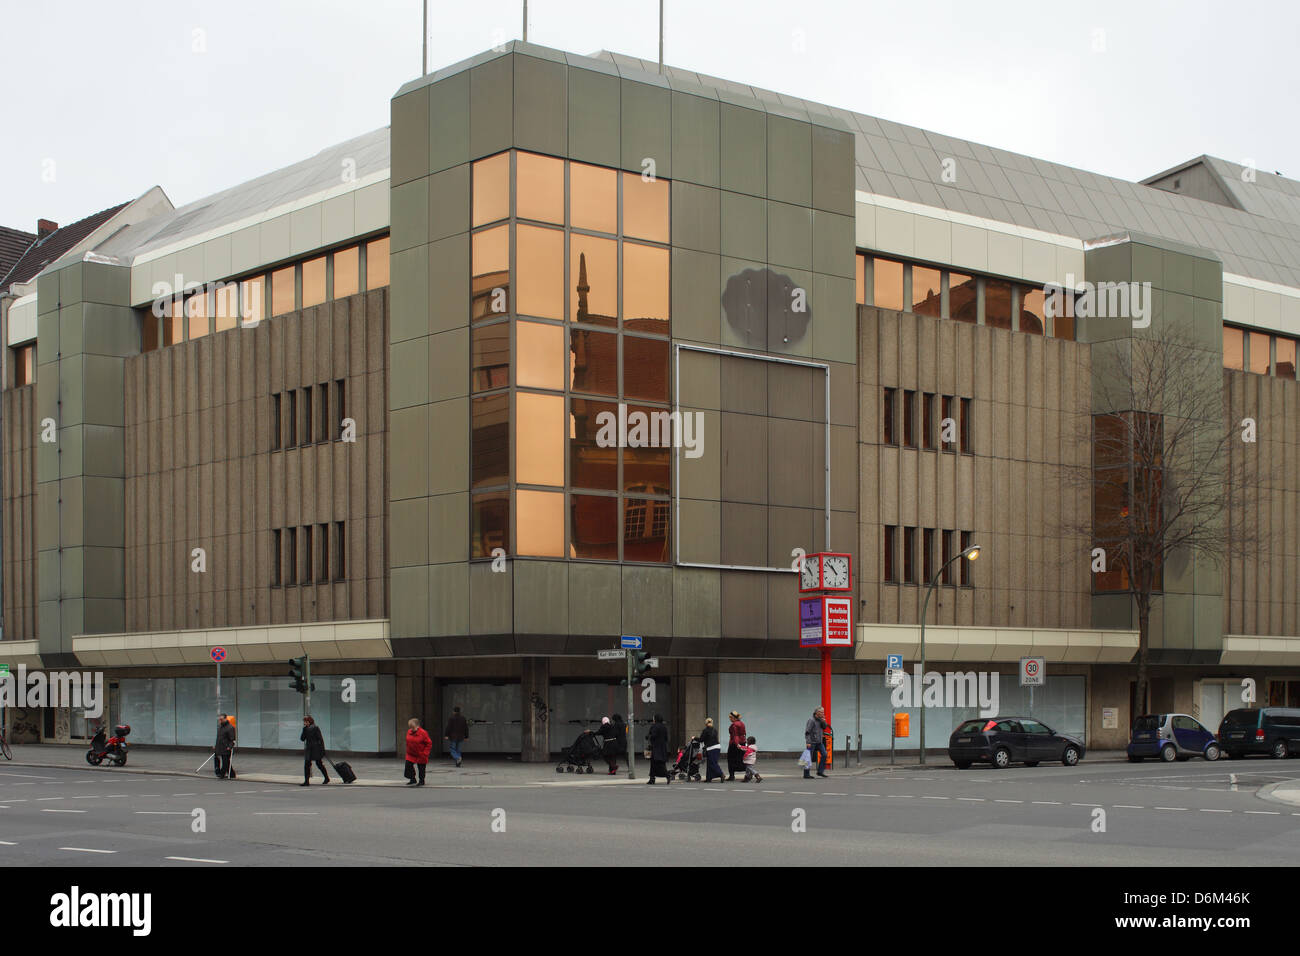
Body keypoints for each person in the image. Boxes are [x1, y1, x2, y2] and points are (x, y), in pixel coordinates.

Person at [300, 715, 330, 786]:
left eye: (306, 721)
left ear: (310, 721)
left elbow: (320, 739)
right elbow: (302, 739)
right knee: (307, 764)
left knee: (319, 764)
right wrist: (304, 730)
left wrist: (322, 749)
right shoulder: (305, 729)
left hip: (316, 748)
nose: (305, 723)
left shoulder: (315, 728)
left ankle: (326, 778)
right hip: (309, 749)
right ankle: (306, 781)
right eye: (304, 722)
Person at [405, 718, 432, 786]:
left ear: (417, 726)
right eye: (410, 727)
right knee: (408, 765)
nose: (411, 729)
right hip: (411, 753)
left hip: (421, 753)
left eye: (413, 727)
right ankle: (412, 779)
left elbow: (429, 743)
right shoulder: (409, 731)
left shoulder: (423, 733)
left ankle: (421, 781)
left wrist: (425, 753)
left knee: (421, 768)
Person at [646, 713, 671, 785]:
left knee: (657, 763)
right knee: (658, 763)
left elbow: (653, 735)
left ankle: (667, 775)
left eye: (653, 718)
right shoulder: (664, 727)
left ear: (655, 719)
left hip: (655, 747)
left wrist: (648, 737)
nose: (653, 720)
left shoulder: (654, 726)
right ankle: (652, 779)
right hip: (662, 747)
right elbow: (666, 738)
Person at [804, 706, 828, 779]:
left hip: (819, 742)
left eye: (823, 712)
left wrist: (823, 721)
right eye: (821, 712)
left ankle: (820, 771)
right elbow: (807, 732)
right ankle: (806, 774)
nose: (822, 714)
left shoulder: (820, 720)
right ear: (816, 713)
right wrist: (808, 742)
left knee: (824, 754)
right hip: (811, 742)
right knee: (809, 757)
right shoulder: (811, 720)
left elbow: (824, 727)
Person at [700, 717, 725, 783]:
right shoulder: (715, 729)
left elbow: (701, 739)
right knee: (711, 763)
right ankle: (709, 777)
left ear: (705, 723)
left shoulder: (705, 730)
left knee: (712, 763)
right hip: (717, 747)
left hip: (711, 748)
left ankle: (721, 774)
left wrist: (694, 738)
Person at [726, 711, 747, 782]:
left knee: (731, 759)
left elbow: (735, 735)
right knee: (741, 759)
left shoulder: (734, 725)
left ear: (734, 718)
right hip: (743, 742)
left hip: (734, 744)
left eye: (730, 717)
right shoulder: (742, 723)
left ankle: (732, 776)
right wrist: (743, 743)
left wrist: (737, 743)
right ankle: (748, 772)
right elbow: (744, 734)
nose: (730, 719)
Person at [213, 713, 235, 780]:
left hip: (226, 748)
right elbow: (219, 738)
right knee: (219, 760)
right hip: (219, 747)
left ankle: (222, 774)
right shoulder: (220, 727)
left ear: (226, 719)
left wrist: (230, 747)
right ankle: (231, 774)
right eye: (219, 719)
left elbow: (232, 739)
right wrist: (215, 746)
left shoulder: (230, 728)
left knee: (225, 762)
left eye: (221, 719)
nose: (220, 721)